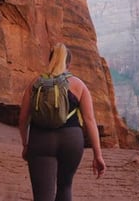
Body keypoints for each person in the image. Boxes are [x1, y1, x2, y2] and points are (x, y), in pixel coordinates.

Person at [18, 43, 106, 201]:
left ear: (50, 61)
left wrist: (25, 145)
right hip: (71, 141)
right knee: (65, 186)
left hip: (40, 140)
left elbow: (23, 118)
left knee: (42, 196)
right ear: (68, 63)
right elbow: (90, 121)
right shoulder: (78, 85)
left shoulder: (35, 84)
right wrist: (97, 155)